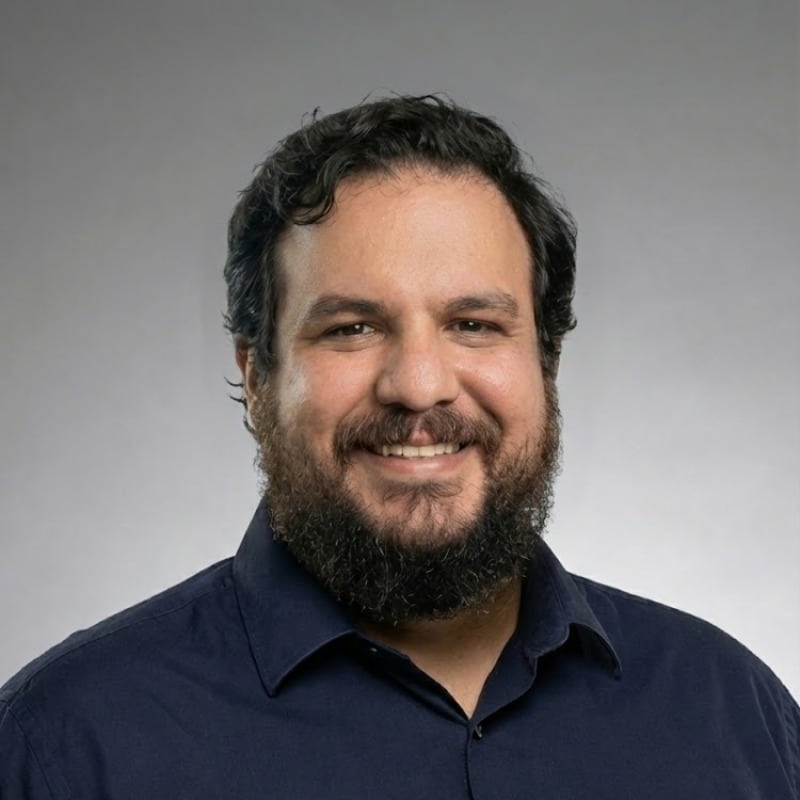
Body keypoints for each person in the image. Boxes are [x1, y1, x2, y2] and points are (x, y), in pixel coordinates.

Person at [1, 95, 797, 798]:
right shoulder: (69, 744)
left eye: (474, 326)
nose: (419, 386)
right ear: (256, 375)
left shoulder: (735, 715)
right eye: (352, 328)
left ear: (545, 361)